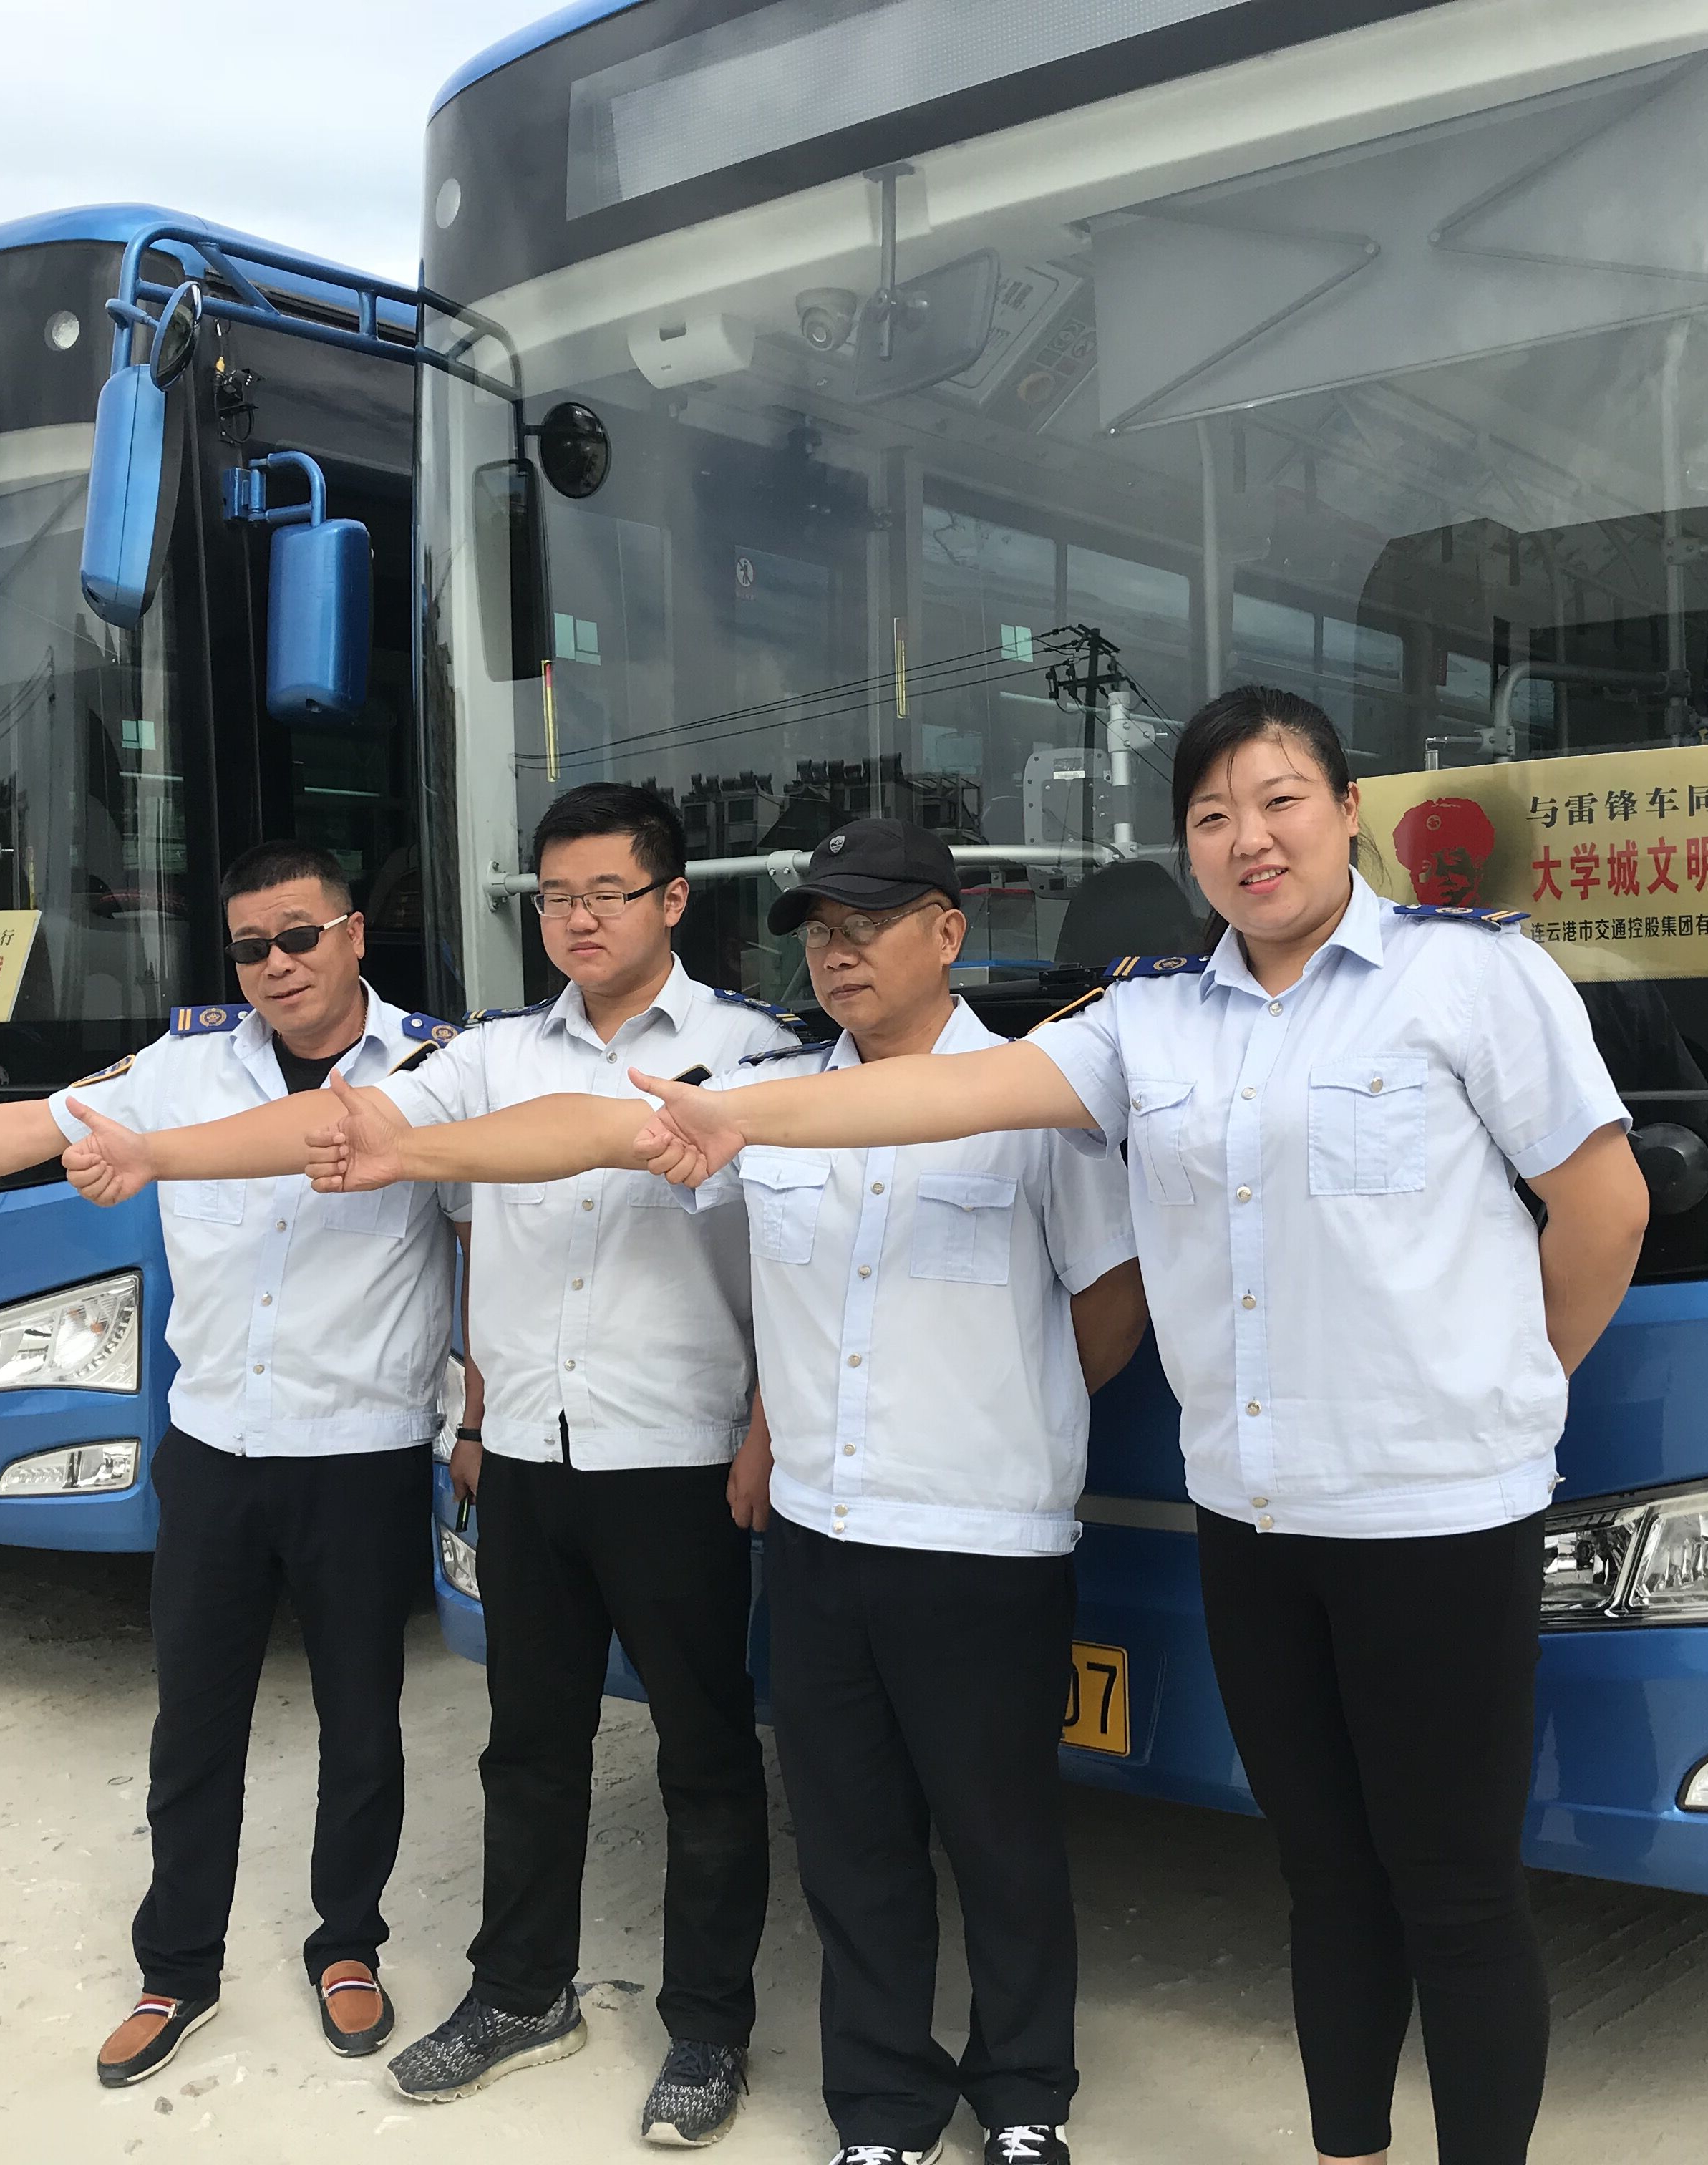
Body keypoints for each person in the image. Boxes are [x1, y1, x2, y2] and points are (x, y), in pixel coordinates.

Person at [623, 687, 1649, 2165]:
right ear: (1187, 847)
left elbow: (1603, 1208)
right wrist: (736, 1119)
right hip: (1255, 1524)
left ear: (1346, 812)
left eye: (1280, 801)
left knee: (1457, 1892)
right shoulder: (1148, 1021)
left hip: (1438, 1518)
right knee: (1327, 1881)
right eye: (1214, 816)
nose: (1251, 838)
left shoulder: (1470, 979)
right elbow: (944, 1096)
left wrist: (1503, 1393)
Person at [301, 816, 1150, 2165]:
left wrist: (1007, 1403)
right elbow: (631, 1166)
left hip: (982, 1529)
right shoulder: (767, 1104)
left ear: (949, 931)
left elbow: (1109, 1306)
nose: (839, 955)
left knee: (1000, 1838)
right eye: (821, 932)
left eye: (870, 926)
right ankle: (883, 2108)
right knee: (853, 1841)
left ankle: (1025, 2098)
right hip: (818, 1530)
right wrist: (406, 1153)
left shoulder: (1034, 1104)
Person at [55, 783, 795, 2147]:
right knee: (529, 1749)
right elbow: (342, 1123)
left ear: (674, 902)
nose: (578, 919)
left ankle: (707, 2027)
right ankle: (520, 1994)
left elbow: (745, 1236)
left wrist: (763, 1430)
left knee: (703, 1754)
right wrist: (165, 1153)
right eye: (555, 897)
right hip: (528, 1458)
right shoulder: (492, 1052)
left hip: (676, 1451)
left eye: (608, 894)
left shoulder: (758, 1053)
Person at [0, 842, 457, 2091]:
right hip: (215, 1450)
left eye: (299, 937)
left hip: (361, 1453)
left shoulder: (438, 1067)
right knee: (194, 1727)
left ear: (354, 935)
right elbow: (18, 1129)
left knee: (362, 1724)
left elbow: (479, 1231)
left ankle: (348, 1944)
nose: (277, 965)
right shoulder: (183, 1067)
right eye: (251, 947)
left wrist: (479, 1403)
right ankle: (177, 1969)